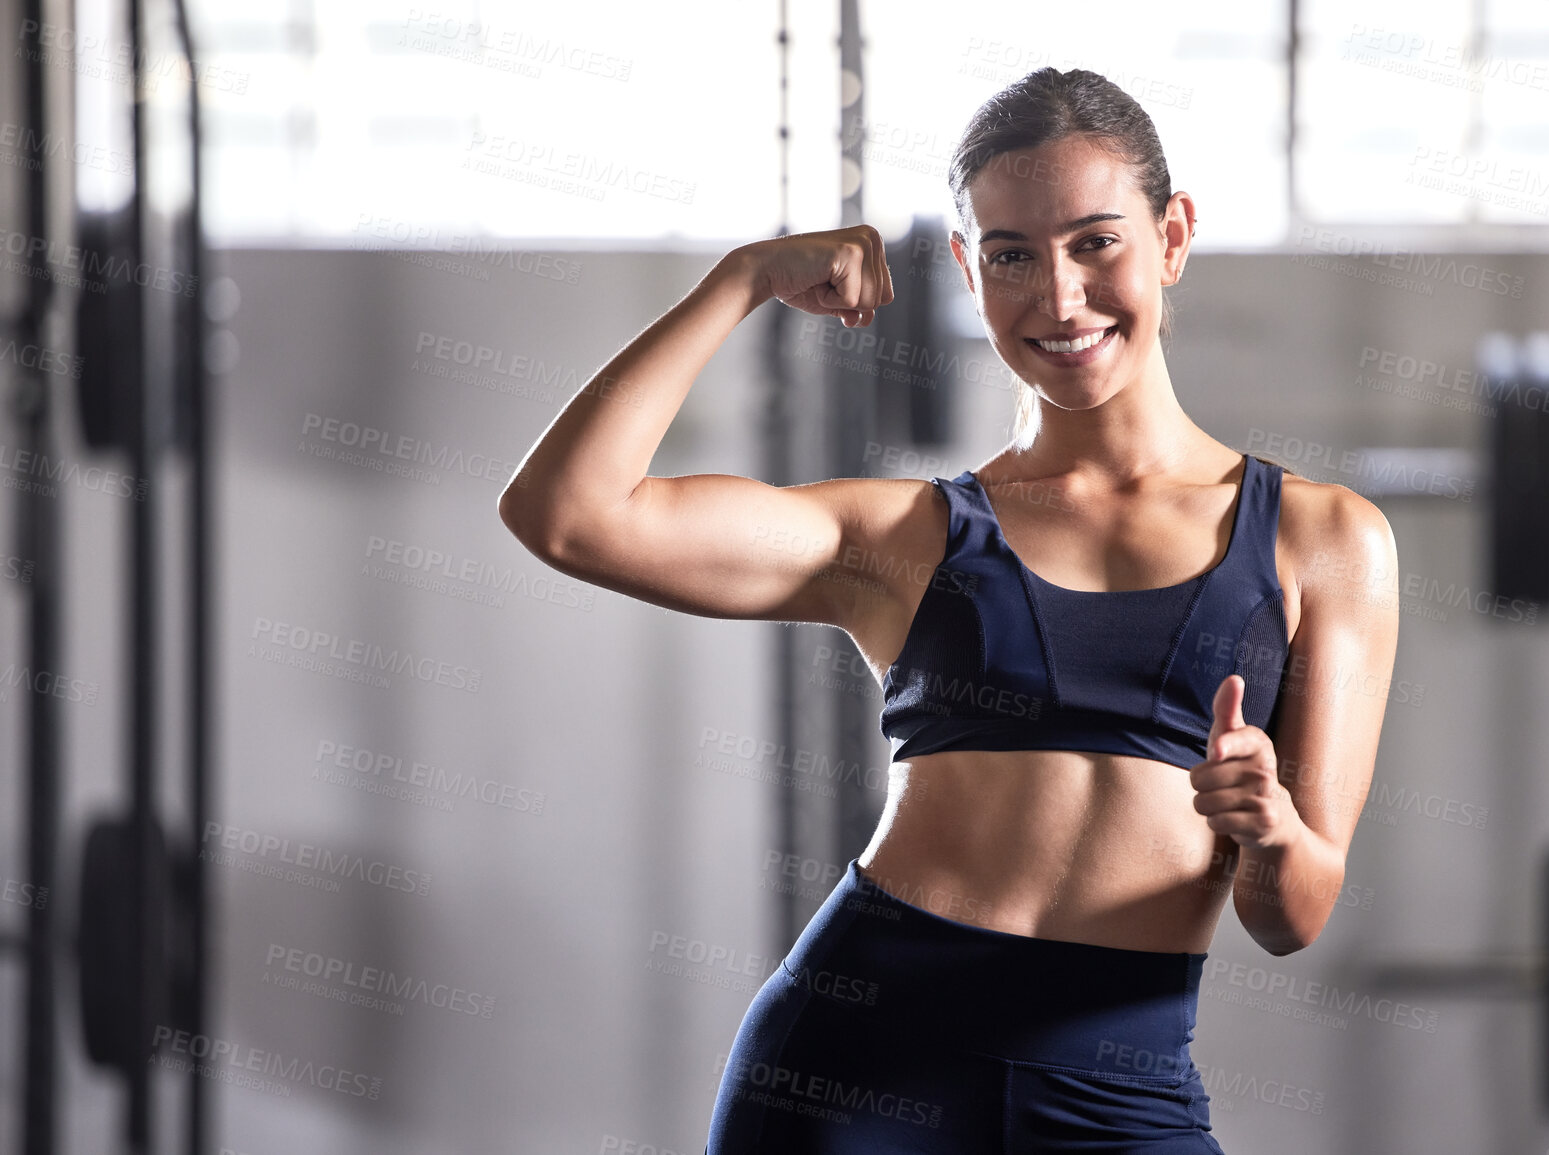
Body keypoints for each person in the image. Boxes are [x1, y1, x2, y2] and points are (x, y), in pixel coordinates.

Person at [500, 67, 1399, 1155]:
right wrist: (740, 280)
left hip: (1118, 1092)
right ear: (970, 270)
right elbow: (568, 515)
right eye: (1012, 254)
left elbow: (1293, 916)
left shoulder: (1326, 541)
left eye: (1096, 243)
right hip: (853, 1070)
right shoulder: (906, 537)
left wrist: (1268, 828)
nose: (1059, 299)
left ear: (1173, 238)